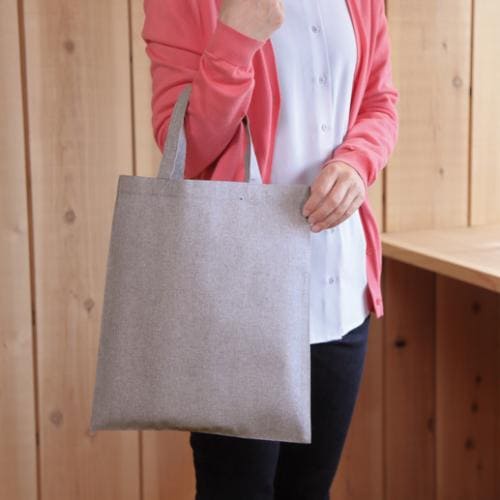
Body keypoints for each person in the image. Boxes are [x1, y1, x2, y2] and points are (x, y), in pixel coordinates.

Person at [141, 0, 399, 498]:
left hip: (338, 294)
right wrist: (236, 40)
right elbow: (185, 145)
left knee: (310, 490)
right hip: (236, 302)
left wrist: (356, 163)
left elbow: (379, 101)